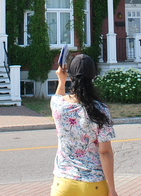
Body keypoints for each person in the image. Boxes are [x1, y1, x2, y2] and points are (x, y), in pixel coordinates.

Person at [50, 53, 118, 196]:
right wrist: (111, 189)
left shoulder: (58, 105)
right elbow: (104, 152)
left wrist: (61, 82)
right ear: (93, 77)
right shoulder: (100, 110)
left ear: (71, 77)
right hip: (93, 185)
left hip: (63, 184)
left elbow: (58, 95)